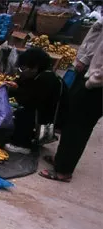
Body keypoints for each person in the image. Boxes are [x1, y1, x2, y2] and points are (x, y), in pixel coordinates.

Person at [39, 20, 103, 182]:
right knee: (70, 119)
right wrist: (82, 60)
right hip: (89, 72)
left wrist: (93, 80)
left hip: (97, 84)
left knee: (79, 127)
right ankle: (61, 160)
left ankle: (64, 170)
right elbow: (96, 35)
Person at [4, 48, 65, 154]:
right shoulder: (36, 74)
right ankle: (29, 135)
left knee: (22, 112)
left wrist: (16, 91)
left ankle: (22, 145)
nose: (21, 72)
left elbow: (30, 101)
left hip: (48, 119)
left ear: (35, 67)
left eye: (23, 69)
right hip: (40, 110)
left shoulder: (47, 79)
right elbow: (23, 84)